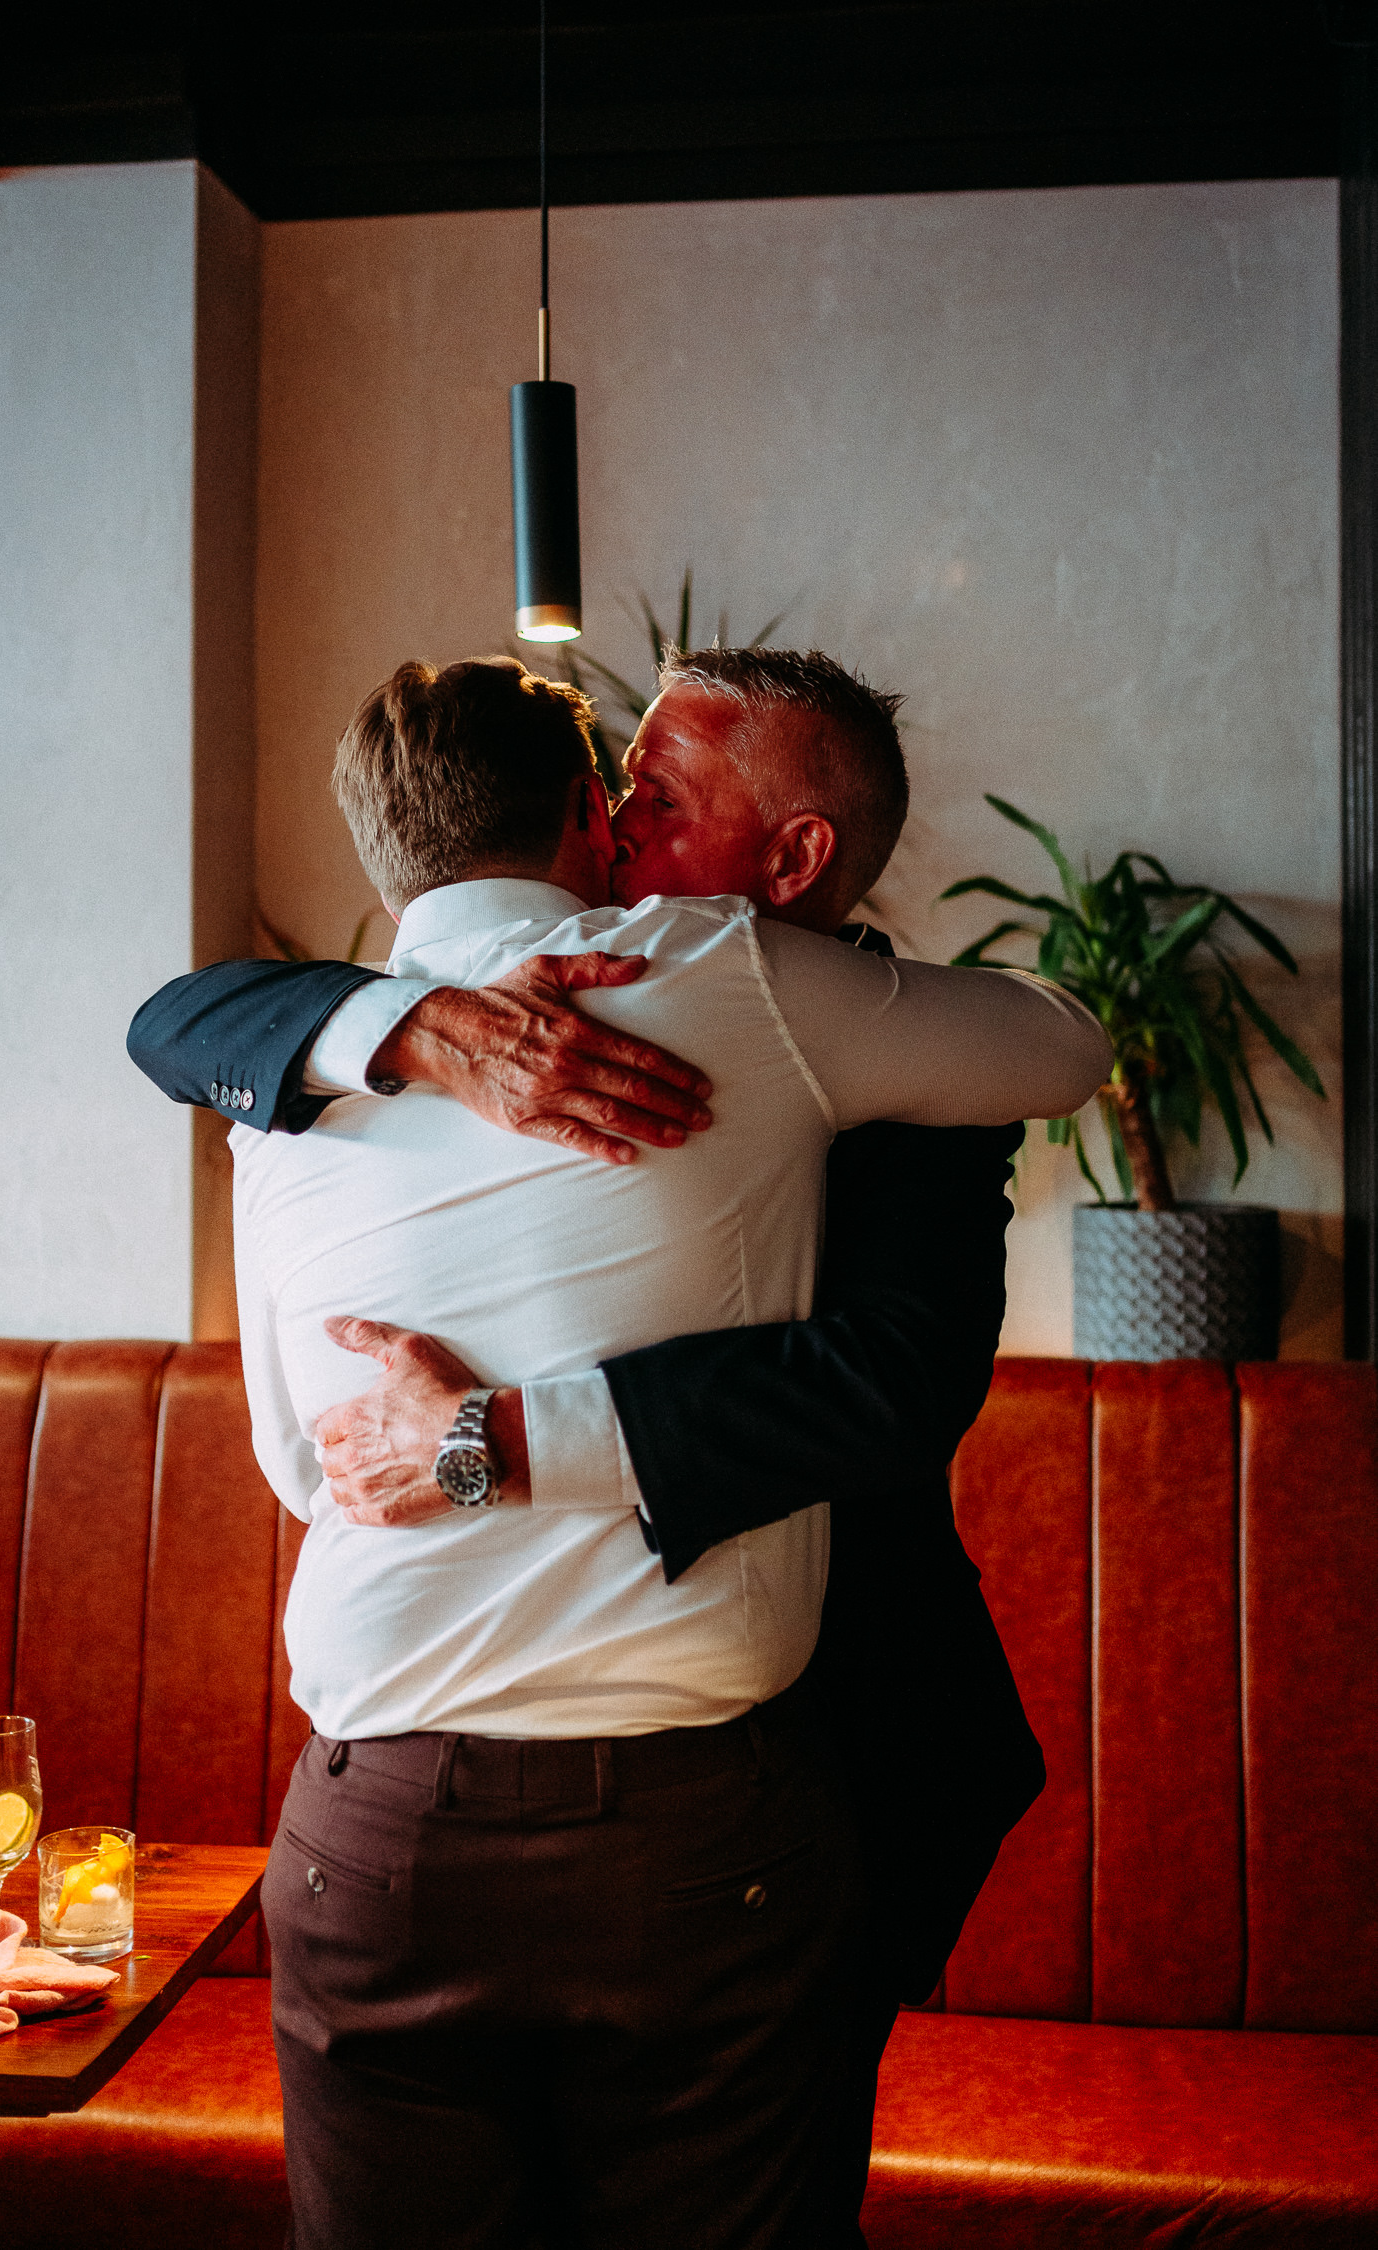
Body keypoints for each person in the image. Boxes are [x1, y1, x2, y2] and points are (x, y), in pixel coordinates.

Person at [128, 649, 1109, 2247]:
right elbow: (180, 1018)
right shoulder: (388, 1037)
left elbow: (891, 1379)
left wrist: (494, 1441)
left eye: (662, 797)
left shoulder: (824, 1020)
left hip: (818, 1763)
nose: (616, 830)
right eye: (619, 785)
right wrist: (401, 1019)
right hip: (584, 1819)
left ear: (792, 860)